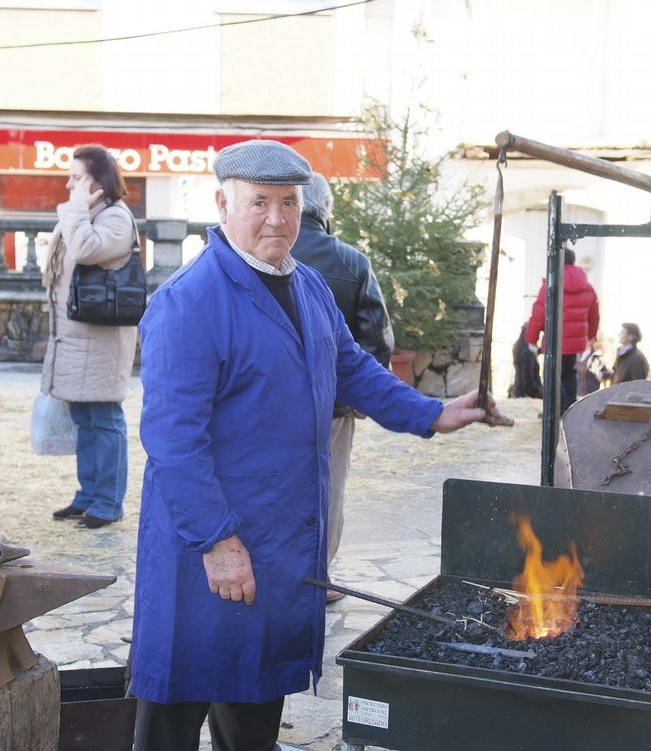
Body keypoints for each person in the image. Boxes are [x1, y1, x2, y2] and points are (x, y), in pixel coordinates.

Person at [132, 139, 503, 751]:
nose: (276, 218)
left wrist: (433, 414)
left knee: (253, 699)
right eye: (259, 203)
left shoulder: (306, 286)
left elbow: (353, 368)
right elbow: (174, 444)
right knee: (177, 701)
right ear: (223, 203)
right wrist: (217, 542)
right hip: (205, 544)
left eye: (288, 203)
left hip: (277, 536)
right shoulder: (188, 303)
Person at [289, 172, 394, 603]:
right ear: (326, 209)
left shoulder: (258, 253)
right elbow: (376, 335)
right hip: (333, 402)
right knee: (327, 488)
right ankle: (318, 580)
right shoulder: (352, 262)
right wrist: (366, 395)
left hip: (267, 405)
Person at [43, 144, 138, 529]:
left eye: (77, 177)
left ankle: (108, 502)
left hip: (101, 341)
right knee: (84, 418)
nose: (69, 184)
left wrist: (76, 209)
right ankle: (87, 496)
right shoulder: (87, 214)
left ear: (98, 181)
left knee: (105, 420)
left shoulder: (116, 218)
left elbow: (84, 250)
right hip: (75, 337)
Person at [525, 247, 599, 414]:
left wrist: (531, 339)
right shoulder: (587, 286)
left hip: (554, 342)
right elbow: (594, 315)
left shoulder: (550, 285)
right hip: (576, 343)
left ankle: (559, 409)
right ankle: (571, 410)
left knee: (552, 377)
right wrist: (591, 337)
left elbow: (538, 315)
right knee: (568, 376)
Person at [509, 322, 543, 398]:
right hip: (526, 396)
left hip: (519, 391)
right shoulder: (527, 351)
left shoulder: (519, 346)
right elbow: (527, 379)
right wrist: (539, 393)